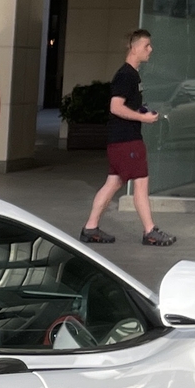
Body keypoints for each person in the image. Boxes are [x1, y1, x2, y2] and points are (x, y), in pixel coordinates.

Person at [82, 29, 175, 247]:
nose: (150, 50)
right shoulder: (126, 75)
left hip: (120, 140)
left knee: (113, 183)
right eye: (146, 46)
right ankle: (150, 231)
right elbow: (116, 107)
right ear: (134, 48)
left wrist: (142, 111)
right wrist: (143, 119)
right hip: (127, 140)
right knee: (141, 184)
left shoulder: (131, 75)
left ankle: (91, 228)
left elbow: (127, 105)